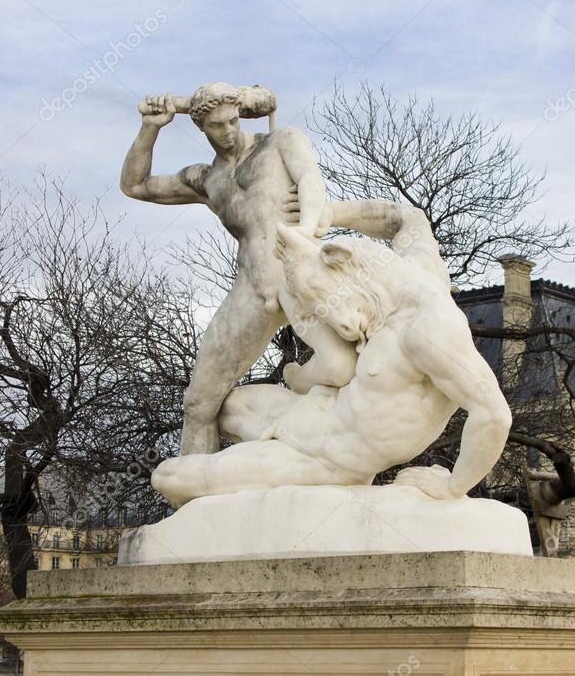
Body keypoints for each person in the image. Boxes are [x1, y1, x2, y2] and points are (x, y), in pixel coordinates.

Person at [152, 201, 512, 505]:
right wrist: (327, 213)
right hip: (316, 410)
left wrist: (453, 486)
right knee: (226, 406)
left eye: (324, 298)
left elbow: (493, 414)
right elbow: (408, 219)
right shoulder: (414, 270)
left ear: (338, 261)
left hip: (328, 459)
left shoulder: (426, 328)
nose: (334, 320)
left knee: (168, 476)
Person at [120, 82, 358, 456]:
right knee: (198, 404)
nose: (228, 131)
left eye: (233, 121)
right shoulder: (206, 179)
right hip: (251, 287)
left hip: (298, 276)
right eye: (217, 125)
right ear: (202, 127)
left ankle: (311, 416)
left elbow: (311, 180)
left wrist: (306, 231)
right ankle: (195, 502)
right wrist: (151, 127)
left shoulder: (280, 142)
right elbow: (135, 185)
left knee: (342, 367)